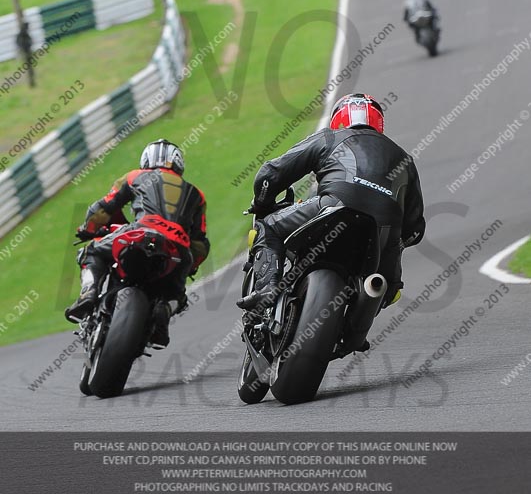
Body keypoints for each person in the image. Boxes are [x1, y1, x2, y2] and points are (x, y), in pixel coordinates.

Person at [237, 94, 425, 315]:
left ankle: (267, 288)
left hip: (334, 207)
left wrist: (263, 204)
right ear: (378, 122)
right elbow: (415, 230)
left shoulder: (330, 138)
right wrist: (397, 242)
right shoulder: (405, 159)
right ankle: (354, 328)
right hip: (385, 234)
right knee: (388, 291)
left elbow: (270, 175)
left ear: (339, 119)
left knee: (267, 227)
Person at [65, 139, 209, 346]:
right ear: (178, 163)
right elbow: (200, 242)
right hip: (177, 247)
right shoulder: (197, 195)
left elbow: (103, 208)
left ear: (146, 160)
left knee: (92, 251)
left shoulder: (135, 176)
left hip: (139, 232)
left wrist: (88, 229)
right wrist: (190, 265)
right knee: (177, 294)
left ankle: (89, 291)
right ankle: (164, 314)